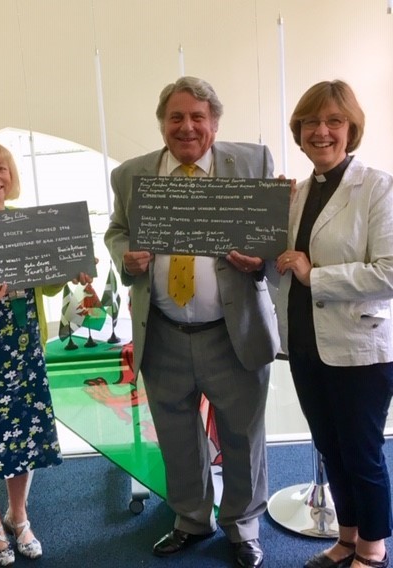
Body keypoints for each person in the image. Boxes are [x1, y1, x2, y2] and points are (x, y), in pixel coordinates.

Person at [104, 76, 280, 568]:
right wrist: (126, 257)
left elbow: (275, 235)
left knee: (243, 436)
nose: (187, 127)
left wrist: (259, 259)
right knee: (177, 433)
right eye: (175, 117)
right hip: (161, 331)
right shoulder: (130, 175)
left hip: (231, 331)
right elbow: (116, 231)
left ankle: (243, 525)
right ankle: (190, 518)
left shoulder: (251, 163)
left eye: (197, 117)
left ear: (215, 123)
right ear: (162, 123)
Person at [0, 139, 93, 566]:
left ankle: (18, 513)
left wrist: (72, 270)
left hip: (22, 346)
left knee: (24, 433)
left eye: (2, 169)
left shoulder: (28, 223)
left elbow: (44, 283)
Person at [275, 80, 393, 568]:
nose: (320, 132)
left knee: (361, 453)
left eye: (333, 122)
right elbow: (282, 261)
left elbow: (388, 272)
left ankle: (373, 548)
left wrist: (314, 274)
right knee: (329, 447)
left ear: (351, 129)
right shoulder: (298, 194)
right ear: (298, 132)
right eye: (309, 123)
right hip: (304, 343)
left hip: (359, 347)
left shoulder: (378, 187)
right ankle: (346, 539)